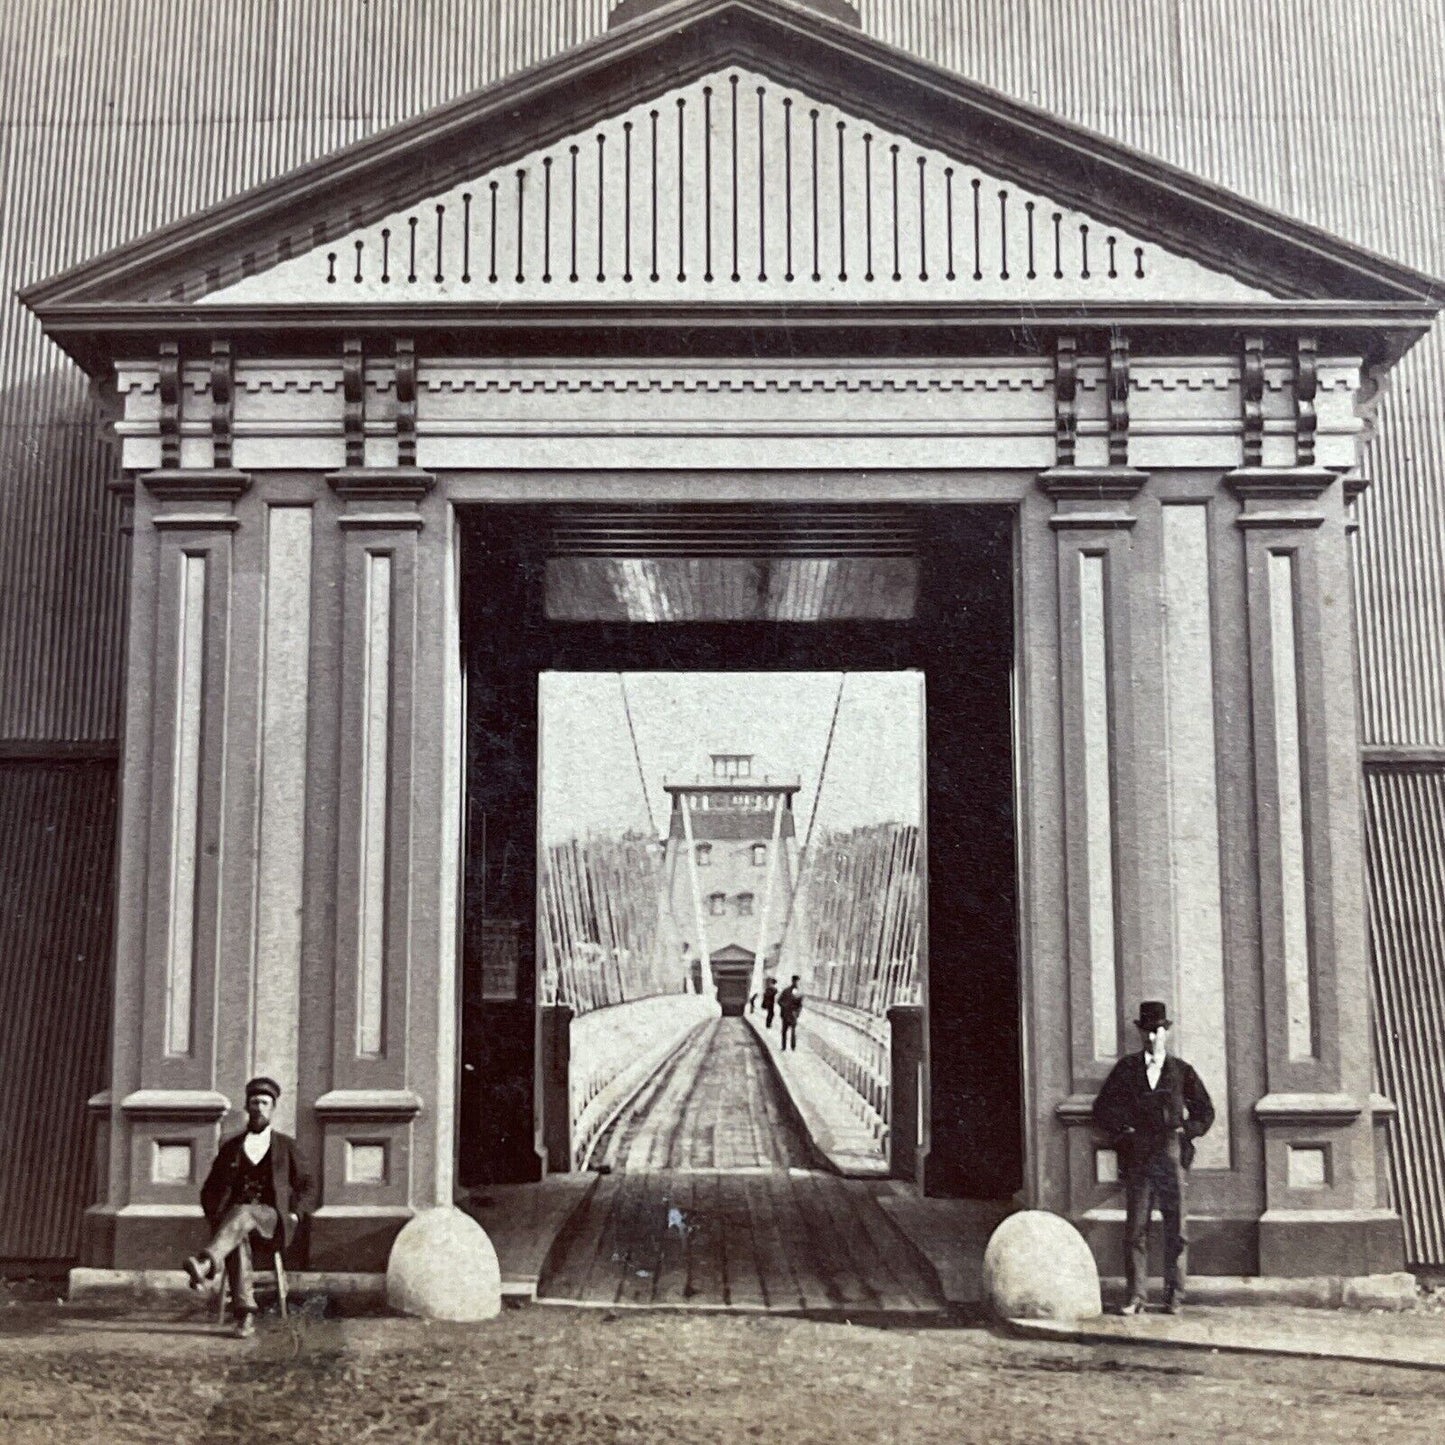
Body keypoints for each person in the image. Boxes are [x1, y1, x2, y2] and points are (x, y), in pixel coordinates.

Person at [1092, 1001, 1214, 1316]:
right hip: (1139, 1156)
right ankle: (1136, 1297)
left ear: (1166, 1033)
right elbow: (1103, 1108)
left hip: (1172, 1154)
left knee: (1177, 1228)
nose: (1152, 1037)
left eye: (1157, 1031)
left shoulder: (1181, 1070)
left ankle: (1174, 1298)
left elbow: (1205, 1110)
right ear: (1140, 1032)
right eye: (1147, 1031)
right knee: (1135, 1229)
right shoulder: (1126, 1069)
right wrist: (1125, 1134)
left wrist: (1187, 1131)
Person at [183, 1077, 315, 1338]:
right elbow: (209, 1189)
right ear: (247, 1107)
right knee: (237, 1232)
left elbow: (308, 1185)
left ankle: (206, 1264)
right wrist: (216, 1217)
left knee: (242, 1214)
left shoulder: (285, 1146)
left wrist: (295, 1213)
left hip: (272, 1220)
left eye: (265, 1103)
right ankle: (246, 1317)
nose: (259, 1108)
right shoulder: (231, 1147)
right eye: (254, 1102)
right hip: (236, 1226)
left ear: (273, 1108)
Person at [778, 975, 803, 1051]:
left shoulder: (799, 993)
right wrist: (784, 1006)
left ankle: (793, 1047)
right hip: (786, 1014)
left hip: (793, 1015)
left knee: (793, 1032)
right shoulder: (786, 991)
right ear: (792, 981)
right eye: (795, 981)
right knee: (784, 1031)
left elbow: (800, 1005)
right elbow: (779, 1001)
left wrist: (797, 1013)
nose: (796, 983)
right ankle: (784, 1047)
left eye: (797, 981)